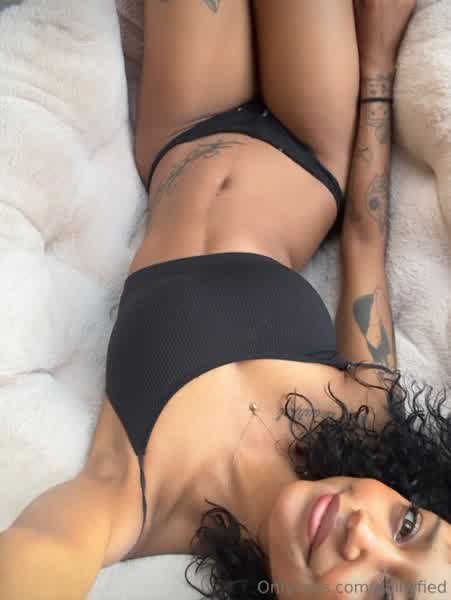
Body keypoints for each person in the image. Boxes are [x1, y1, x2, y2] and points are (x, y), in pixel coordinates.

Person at [0, 1, 449, 599]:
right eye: (408, 526)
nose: (363, 535)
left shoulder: (136, 501)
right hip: (313, 148)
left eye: (382, 593)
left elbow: (40, 556)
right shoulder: (371, 416)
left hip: (186, 134)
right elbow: (365, 241)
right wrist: (377, 63)